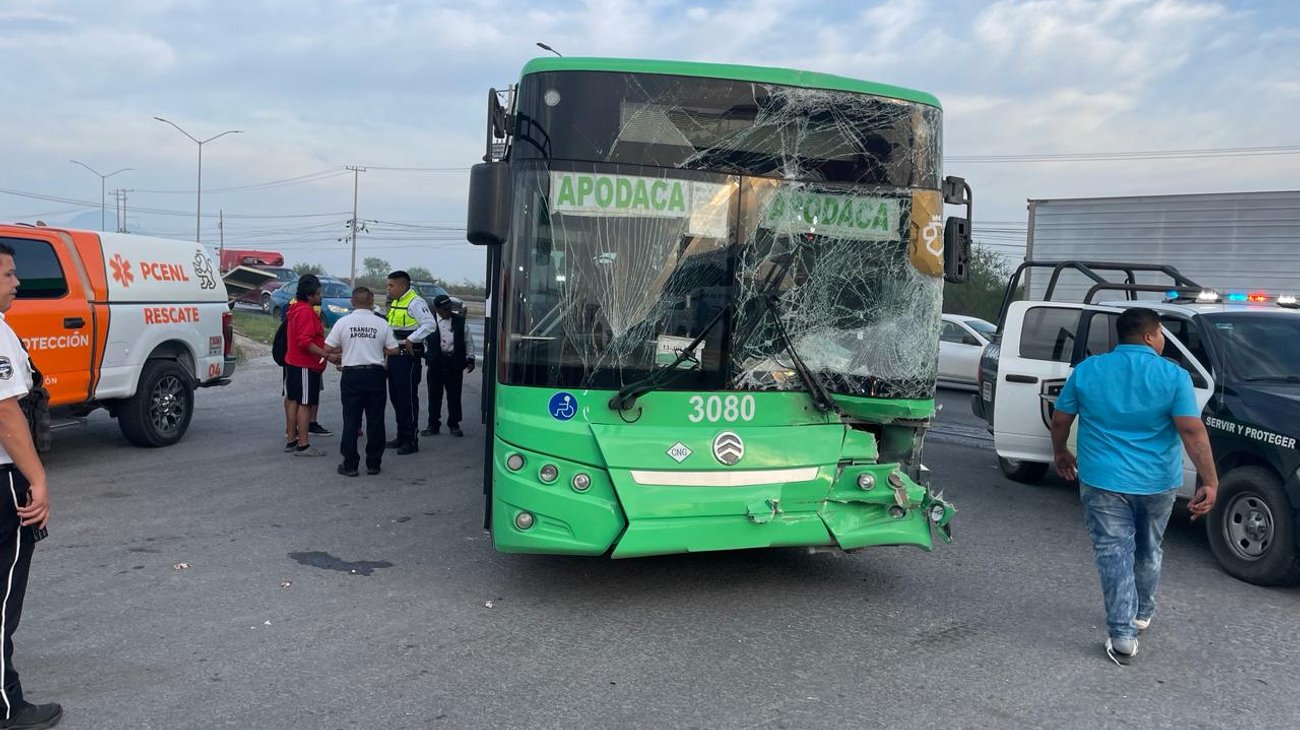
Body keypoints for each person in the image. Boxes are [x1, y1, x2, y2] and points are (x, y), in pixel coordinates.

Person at [1050, 307, 1218, 666]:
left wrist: (1060, 452)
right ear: (1148, 336)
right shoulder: (1173, 376)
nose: (1161, 341)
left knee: (1113, 552)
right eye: (1160, 334)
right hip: (1158, 482)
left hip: (1103, 480)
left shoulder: (1088, 370)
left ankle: (1122, 635)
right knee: (1149, 547)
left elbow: (1061, 418)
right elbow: (1191, 431)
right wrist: (1211, 481)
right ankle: (1141, 613)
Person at [0, 243, 62, 728]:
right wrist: (37, 479)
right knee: (2, 600)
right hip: (4, 480)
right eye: (8, 274)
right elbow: (4, 412)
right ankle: (6, 706)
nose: (17, 282)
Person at [325, 287, 398, 477]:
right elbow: (395, 349)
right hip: (375, 375)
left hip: (352, 376)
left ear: (352, 301)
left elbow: (328, 347)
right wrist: (378, 349)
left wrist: (346, 350)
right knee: (375, 420)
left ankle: (350, 465)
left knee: (351, 420)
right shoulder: (381, 323)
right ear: (372, 300)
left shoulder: (344, 322)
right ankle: (373, 463)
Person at [284, 275, 339, 457]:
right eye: (318, 293)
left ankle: (292, 438)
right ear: (310, 295)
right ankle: (303, 444)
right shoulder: (306, 312)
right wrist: (327, 355)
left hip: (292, 362)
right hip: (305, 365)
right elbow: (305, 341)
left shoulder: (294, 309)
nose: (321, 296)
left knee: (293, 401)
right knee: (305, 404)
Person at [384, 271, 437, 455]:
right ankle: (401, 435)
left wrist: (412, 339)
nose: (388, 289)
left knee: (407, 398)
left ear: (402, 286)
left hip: (408, 356)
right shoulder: (397, 302)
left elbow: (430, 324)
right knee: (396, 398)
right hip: (394, 355)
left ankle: (410, 439)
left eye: (391, 285)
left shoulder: (415, 302)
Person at [423, 294, 475, 437]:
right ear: (437, 309)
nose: (448, 312)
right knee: (434, 395)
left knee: (454, 395)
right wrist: (428, 355)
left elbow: (468, 342)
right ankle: (433, 424)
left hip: (454, 362)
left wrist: (470, 359)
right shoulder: (429, 322)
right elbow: (423, 341)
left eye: (449, 308)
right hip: (436, 363)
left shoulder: (460, 321)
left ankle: (454, 423)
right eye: (444, 309)